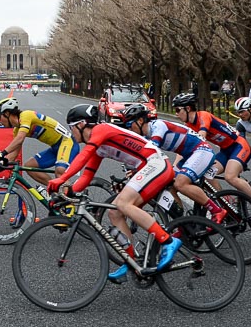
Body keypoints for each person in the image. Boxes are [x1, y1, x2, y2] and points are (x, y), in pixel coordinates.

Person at [48, 105, 182, 282]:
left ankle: (168, 241)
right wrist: (67, 193)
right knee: (115, 213)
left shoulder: (101, 130)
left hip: (156, 164)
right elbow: (87, 176)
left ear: (81, 124)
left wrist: (61, 178)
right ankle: (131, 261)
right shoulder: (98, 146)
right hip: (148, 168)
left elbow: (82, 158)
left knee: (123, 203)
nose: (71, 133)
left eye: (71, 128)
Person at [120, 102, 227, 225]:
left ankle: (217, 210)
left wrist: (137, 169)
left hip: (202, 151)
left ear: (139, 121)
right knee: (169, 185)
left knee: (181, 183)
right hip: (189, 155)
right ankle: (182, 223)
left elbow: (153, 152)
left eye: (129, 125)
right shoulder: (146, 136)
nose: (128, 129)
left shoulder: (158, 126)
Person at [173, 92, 251, 203]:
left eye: (177, 110)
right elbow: (182, 148)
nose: (176, 114)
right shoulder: (189, 125)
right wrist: (175, 166)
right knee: (207, 175)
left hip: (239, 146)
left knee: (230, 177)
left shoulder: (203, 116)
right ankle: (227, 204)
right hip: (225, 150)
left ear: (188, 108)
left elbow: (201, 137)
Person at [0, 97, 77, 188]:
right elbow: (14, 154)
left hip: (67, 142)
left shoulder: (25, 115)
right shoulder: (16, 130)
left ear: (7, 113)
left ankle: (72, 197)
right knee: (30, 166)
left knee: (59, 171)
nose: (0, 121)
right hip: (55, 147)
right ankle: (56, 189)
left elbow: (20, 139)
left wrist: (2, 153)